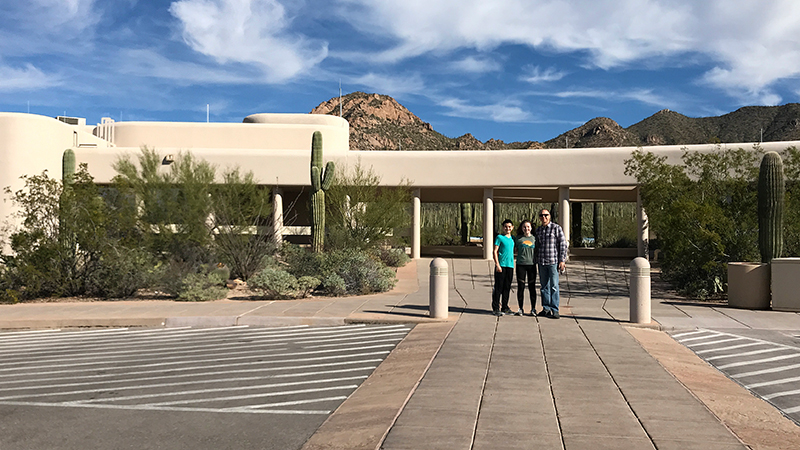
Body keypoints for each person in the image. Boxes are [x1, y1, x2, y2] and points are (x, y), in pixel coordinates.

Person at [534, 209, 567, 319]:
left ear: (550, 216)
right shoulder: (538, 230)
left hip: (553, 261)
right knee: (544, 287)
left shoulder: (556, 228)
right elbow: (537, 246)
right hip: (541, 262)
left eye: (546, 215)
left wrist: (562, 260)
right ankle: (546, 308)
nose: (544, 217)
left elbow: (562, 244)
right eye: (542, 215)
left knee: (554, 286)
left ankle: (555, 309)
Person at [492, 219, 515, 316]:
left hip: (510, 266)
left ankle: (505, 306)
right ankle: (496, 307)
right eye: (506, 227)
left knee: (507, 287)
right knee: (498, 287)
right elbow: (495, 251)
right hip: (501, 265)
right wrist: (497, 264)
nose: (507, 228)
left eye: (509, 227)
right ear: (503, 227)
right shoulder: (499, 237)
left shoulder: (513, 238)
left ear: (512, 227)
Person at [515, 219, 536, 316]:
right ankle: (520, 308)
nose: (526, 228)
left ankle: (533, 308)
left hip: (532, 265)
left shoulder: (535, 239)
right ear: (521, 228)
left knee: (532, 287)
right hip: (521, 265)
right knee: (521, 287)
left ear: (531, 228)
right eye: (524, 227)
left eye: (528, 226)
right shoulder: (518, 239)